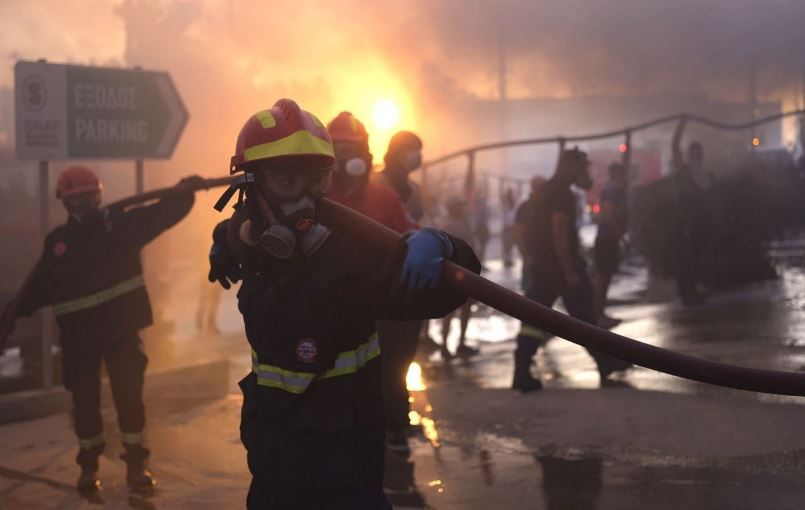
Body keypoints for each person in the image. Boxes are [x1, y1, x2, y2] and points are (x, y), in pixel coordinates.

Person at [208, 99, 480, 509]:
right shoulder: (252, 243)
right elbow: (232, 230)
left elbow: (449, 289)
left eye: (317, 182)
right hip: (274, 471)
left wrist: (445, 247)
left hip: (345, 479)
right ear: (251, 186)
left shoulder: (349, 261)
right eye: (286, 182)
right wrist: (225, 245)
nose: (305, 198)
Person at [0, 166, 200, 492]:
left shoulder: (121, 225)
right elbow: (37, 289)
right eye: (75, 201)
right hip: (80, 341)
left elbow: (162, 214)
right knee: (85, 409)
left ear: (99, 196)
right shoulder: (58, 244)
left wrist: (184, 192)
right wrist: (10, 316)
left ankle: (137, 466)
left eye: (87, 199)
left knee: (129, 401)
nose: (82, 206)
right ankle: (88, 467)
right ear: (64, 204)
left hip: (121, 333)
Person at [326, 112, 422, 456]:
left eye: (351, 148)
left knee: (389, 371)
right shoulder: (312, 198)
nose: (344, 157)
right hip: (329, 311)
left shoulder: (383, 198)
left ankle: (393, 429)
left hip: (380, 309)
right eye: (336, 148)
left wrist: (428, 244)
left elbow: (411, 234)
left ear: (366, 153)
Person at [512, 149, 632, 392]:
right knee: (584, 317)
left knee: (538, 318)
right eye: (582, 168)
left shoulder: (548, 190)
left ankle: (522, 369)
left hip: (543, 265)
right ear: (570, 167)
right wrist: (569, 270)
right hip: (557, 268)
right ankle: (604, 362)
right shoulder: (561, 194)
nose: (585, 174)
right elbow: (559, 230)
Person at [373, 130, 431, 455]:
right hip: (382, 284)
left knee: (404, 357)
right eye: (412, 149)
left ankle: (397, 420)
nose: (417, 156)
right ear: (397, 152)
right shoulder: (377, 185)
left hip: (410, 283)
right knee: (385, 361)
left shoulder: (416, 191)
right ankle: (391, 423)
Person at [672, 118, 714, 306]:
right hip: (686, 225)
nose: (696, 157)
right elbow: (675, 147)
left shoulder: (705, 175)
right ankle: (687, 294)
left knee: (697, 259)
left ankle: (693, 291)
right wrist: (681, 126)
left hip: (702, 224)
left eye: (699, 155)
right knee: (687, 260)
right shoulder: (684, 171)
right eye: (693, 154)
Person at [440, 196, 480, 359]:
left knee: (465, 309)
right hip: (455, 273)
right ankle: (445, 345)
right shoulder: (449, 226)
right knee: (450, 311)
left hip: (466, 271)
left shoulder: (464, 223)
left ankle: (460, 343)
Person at [593, 161, 630, 328]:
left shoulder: (618, 191)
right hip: (606, 239)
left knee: (605, 277)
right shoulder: (612, 191)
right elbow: (608, 214)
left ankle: (600, 313)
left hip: (610, 239)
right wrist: (620, 236)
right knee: (602, 277)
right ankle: (597, 315)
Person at [501, 186, 518, 268]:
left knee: (510, 245)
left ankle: (508, 260)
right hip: (507, 228)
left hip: (511, 228)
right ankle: (506, 260)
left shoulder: (513, 205)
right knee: (507, 245)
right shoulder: (505, 205)